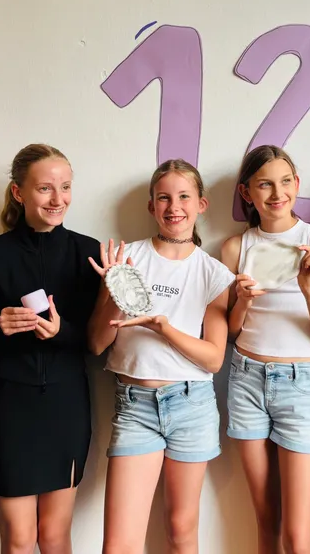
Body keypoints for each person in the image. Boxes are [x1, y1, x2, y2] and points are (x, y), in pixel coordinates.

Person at [88, 159, 234, 554]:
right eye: (164, 198)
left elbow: (214, 359)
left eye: (184, 197)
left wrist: (163, 327)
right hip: (135, 406)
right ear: (151, 206)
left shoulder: (214, 273)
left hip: (192, 405)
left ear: (201, 204)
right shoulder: (125, 258)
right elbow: (97, 343)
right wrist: (116, 301)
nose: (174, 207)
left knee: (181, 532)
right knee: (118, 543)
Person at [0, 144, 101, 554]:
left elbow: (97, 341)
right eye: (45, 188)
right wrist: (0, 326)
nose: (58, 199)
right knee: (19, 539)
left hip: (66, 404)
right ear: (18, 192)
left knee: (56, 536)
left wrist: (61, 333)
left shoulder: (89, 252)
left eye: (65, 187)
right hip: (11, 406)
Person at [220, 145, 310, 554]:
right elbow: (232, 332)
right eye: (265, 184)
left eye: (286, 181)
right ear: (246, 192)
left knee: (297, 530)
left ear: (297, 185)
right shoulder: (236, 248)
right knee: (266, 519)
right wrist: (245, 300)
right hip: (246, 379)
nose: (277, 193)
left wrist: (309, 291)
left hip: (301, 382)